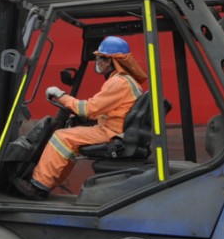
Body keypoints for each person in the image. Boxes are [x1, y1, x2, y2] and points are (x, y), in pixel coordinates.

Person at [15, 37, 148, 200]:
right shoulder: (124, 81)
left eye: (101, 58)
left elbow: (87, 108)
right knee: (70, 142)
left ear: (113, 60)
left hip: (112, 133)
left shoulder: (119, 82)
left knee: (61, 137)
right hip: (114, 129)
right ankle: (45, 184)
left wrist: (61, 95)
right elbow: (108, 111)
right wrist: (85, 119)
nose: (97, 61)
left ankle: (37, 187)